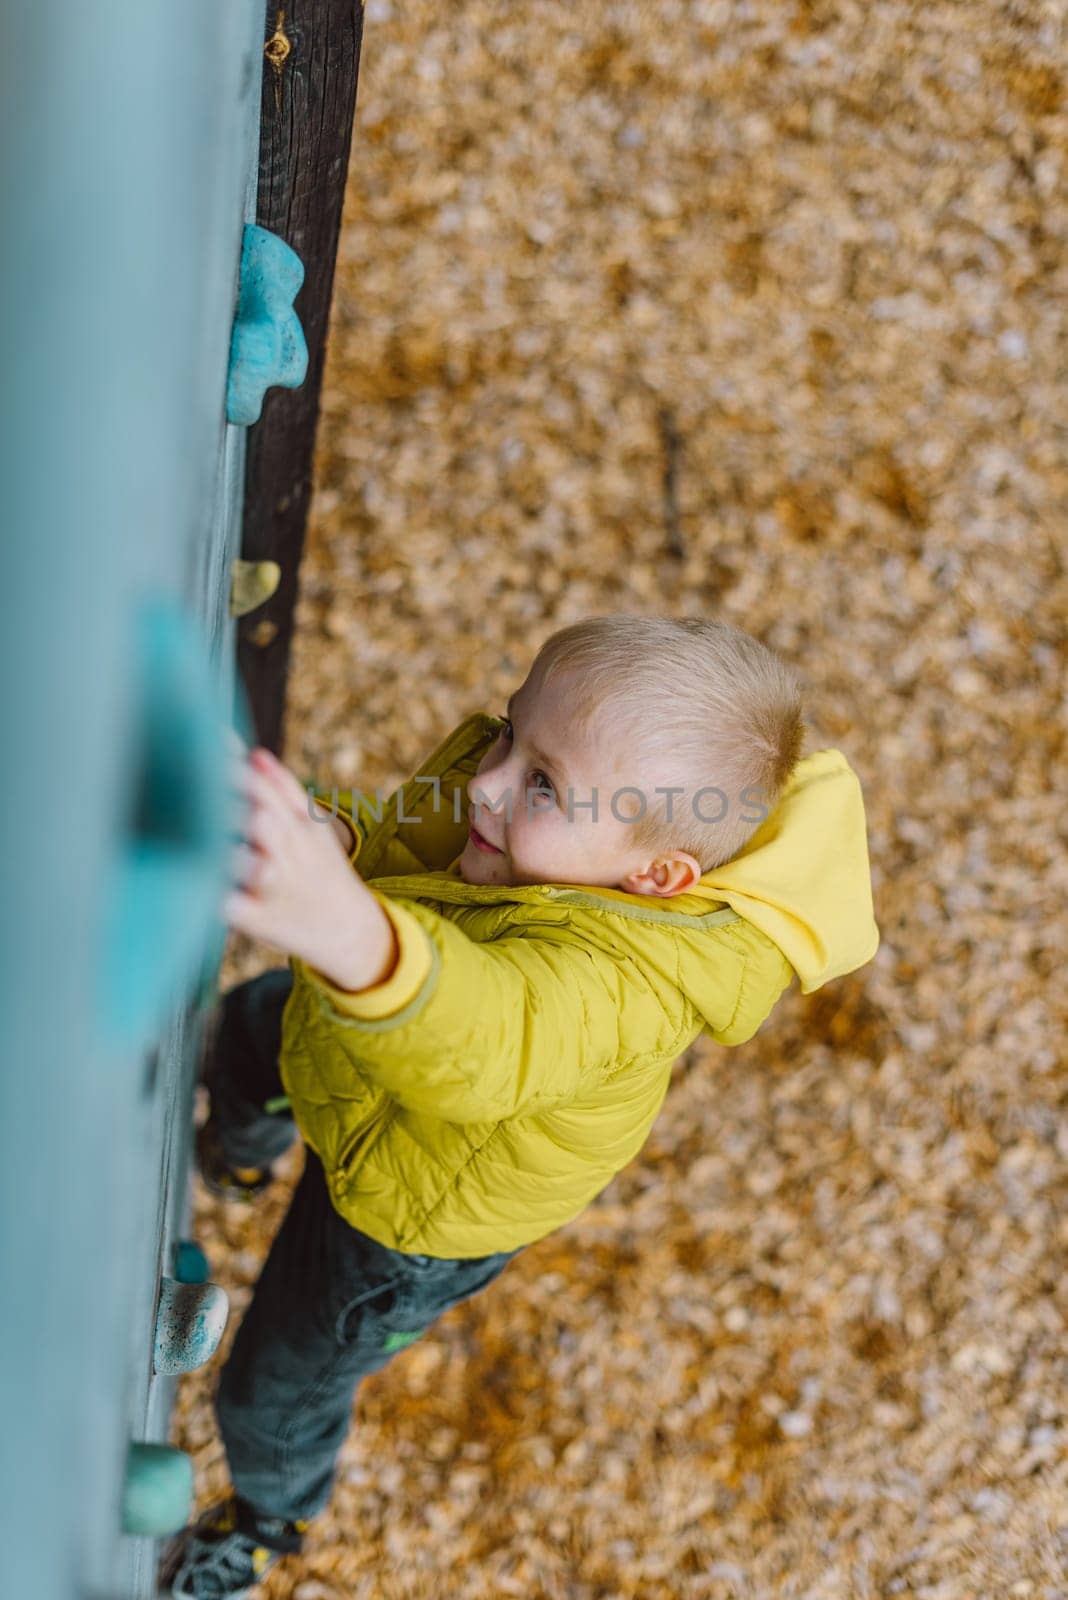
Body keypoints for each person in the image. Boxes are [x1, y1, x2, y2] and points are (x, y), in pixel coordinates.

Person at [159, 613, 880, 1598]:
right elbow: (411, 848)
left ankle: (261, 1524)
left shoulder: (629, 986)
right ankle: (239, 1156)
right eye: (507, 731)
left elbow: (486, 1039)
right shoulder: (520, 832)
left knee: (277, 1385)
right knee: (252, 1034)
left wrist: (343, 925)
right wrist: (339, 836)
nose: (485, 781)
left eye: (543, 783)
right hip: (369, 1043)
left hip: (411, 1211)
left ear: (654, 876)